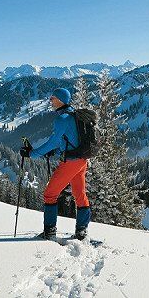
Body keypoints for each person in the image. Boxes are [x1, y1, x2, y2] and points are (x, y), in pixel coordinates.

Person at [20, 87, 91, 240]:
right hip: (81, 160)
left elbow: (52, 142)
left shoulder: (62, 119)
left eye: (52, 98)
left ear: (60, 99)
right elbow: (69, 140)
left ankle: (49, 231)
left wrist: (31, 154)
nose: (50, 101)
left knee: (50, 194)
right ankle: (81, 232)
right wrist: (56, 152)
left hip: (70, 163)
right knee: (80, 195)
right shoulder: (75, 115)